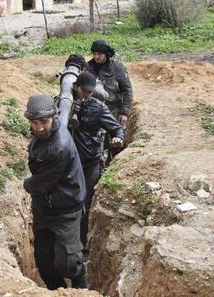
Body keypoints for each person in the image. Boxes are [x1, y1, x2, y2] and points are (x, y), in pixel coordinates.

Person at [23, 95, 87, 290]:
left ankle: (80, 285)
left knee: (68, 263)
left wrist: (27, 184)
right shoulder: (44, 136)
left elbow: (41, 184)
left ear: (55, 117)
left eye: (44, 122)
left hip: (65, 209)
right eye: (34, 123)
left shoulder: (59, 147)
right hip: (44, 207)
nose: (39, 128)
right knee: (44, 263)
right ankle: (57, 291)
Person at [70, 72, 125, 254]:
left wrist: (118, 138)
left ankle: (82, 247)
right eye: (84, 91)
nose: (87, 95)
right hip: (67, 165)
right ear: (76, 87)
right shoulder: (65, 103)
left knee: (85, 204)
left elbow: (116, 128)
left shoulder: (98, 107)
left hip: (89, 164)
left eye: (90, 92)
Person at [88, 40, 133, 126]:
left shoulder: (117, 67)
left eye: (99, 54)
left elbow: (127, 90)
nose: (96, 57)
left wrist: (124, 112)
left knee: (115, 137)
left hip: (113, 110)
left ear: (105, 54)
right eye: (94, 54)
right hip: (93, 110)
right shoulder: (88, 68)